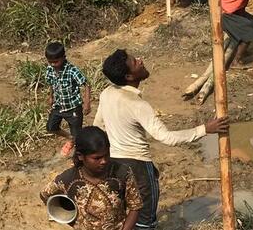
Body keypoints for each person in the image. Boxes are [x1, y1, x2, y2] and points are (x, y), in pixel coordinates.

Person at [94, 49, 229, 229]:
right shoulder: (137, 104)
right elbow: (166, 137)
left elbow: (98, 126)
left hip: (114, 165)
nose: (141, 60)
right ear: (128, 76)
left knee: (121, 214)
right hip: (138, 168)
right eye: (135, 62)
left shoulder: (107, 94)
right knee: (144, 220)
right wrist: (204, 129)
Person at [40, 127, 142, 230]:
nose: (104, 161)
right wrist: (68, 214)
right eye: (97, 158)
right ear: (80, 156)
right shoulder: (69, 179)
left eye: (106, 155)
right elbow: (45, 194)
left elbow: (135, 206)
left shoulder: (121, 172)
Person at [45, 42, 91, 157]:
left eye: (56, 61)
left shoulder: (72, 71)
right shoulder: (50, 69)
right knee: (51, 127)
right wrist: (51, 96)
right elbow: (51, 83)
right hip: (59, 105)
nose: (53, 64)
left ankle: (78, 157)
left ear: (63, 58)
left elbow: (86, 84)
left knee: (77, 135)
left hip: (73, 107)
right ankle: (70, 138)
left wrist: (87, 103)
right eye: (50, 62)